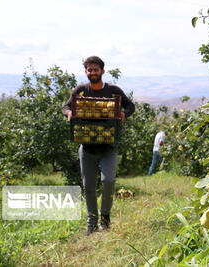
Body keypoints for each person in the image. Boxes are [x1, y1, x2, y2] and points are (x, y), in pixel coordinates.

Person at [62, 56, 135, 235]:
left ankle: (105, 218)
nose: (92, 73)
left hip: (108, 147)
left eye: (96, 70)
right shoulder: (80, 90)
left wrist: (124, 114)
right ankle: (92, 223)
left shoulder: (113, 90)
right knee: (88, 186)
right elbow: (65, 107)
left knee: (108, 181)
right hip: (87, 147)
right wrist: (69, 112)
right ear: (86, 72)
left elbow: (130, 105)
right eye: (89, 70)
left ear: (102, 71)